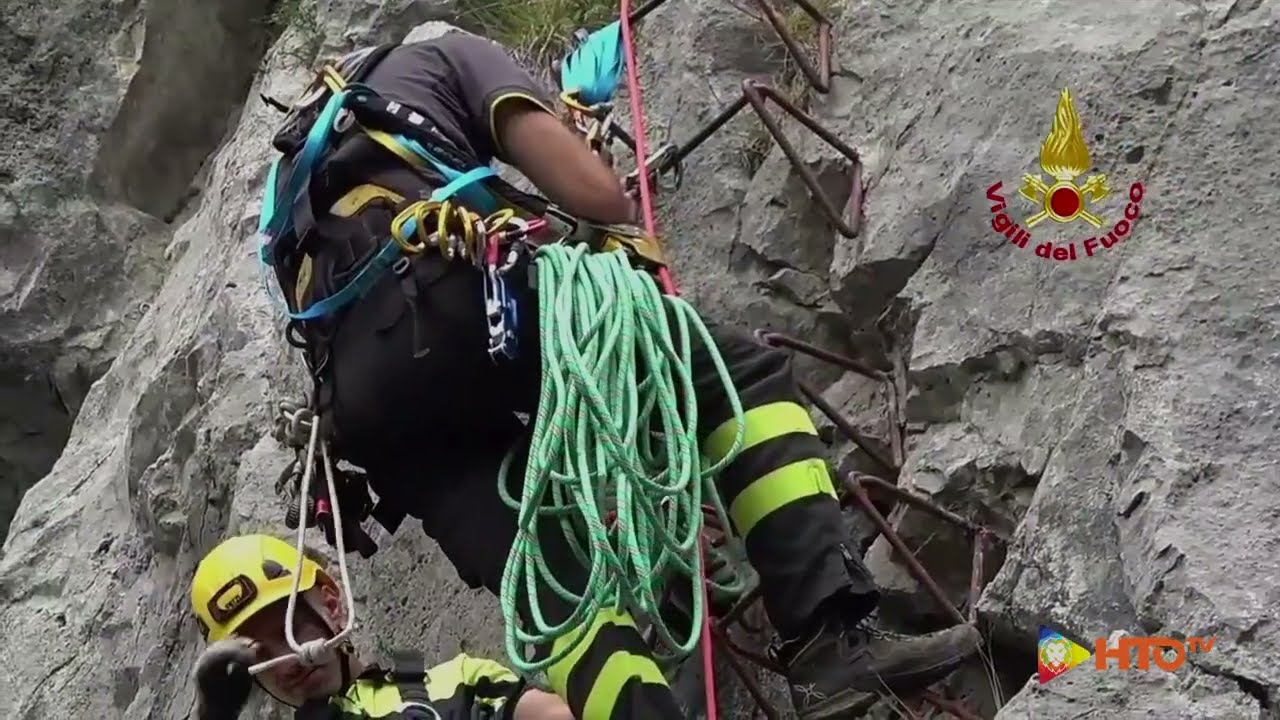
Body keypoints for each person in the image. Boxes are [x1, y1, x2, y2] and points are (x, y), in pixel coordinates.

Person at [262, 29, 984, 720]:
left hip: (367, 418)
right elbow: (595, 195)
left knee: (549, 584)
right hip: (450, 302)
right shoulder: (447, 59)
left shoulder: (288, 190)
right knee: (738, 377)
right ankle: (828, 639)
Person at [189, 533, 574, 720]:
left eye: (291, 628)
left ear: (332, 603)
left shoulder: (456, 681)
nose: (286, 661)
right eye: (259, 656)